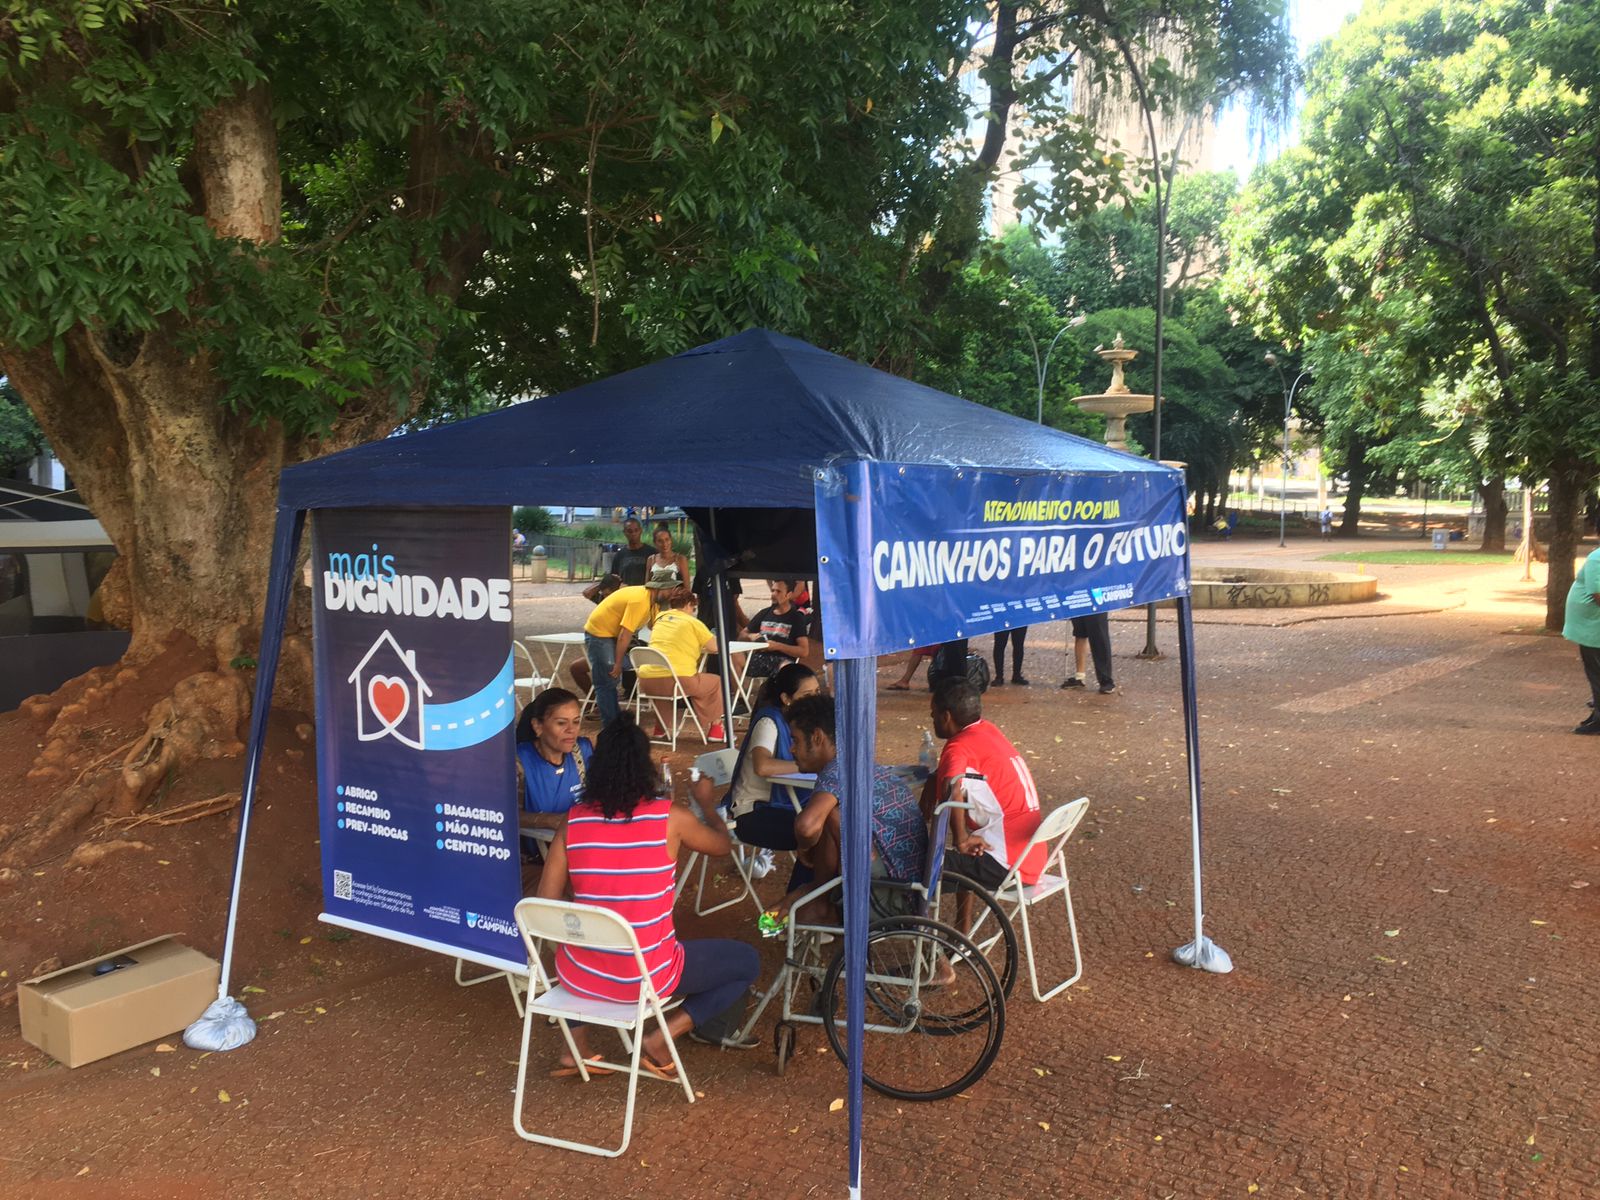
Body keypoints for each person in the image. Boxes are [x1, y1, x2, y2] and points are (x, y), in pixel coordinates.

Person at [537, 716, 761, 1069]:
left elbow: (545, 905)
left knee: (581, 934)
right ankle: (661, 1036)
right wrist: (704, 805)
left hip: (578, 975)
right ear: (646, 766)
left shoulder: (573, 821)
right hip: (645, 977)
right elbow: (723, 846)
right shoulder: (671, 818)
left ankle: (574, 1048)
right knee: (746, 961)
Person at [786, 693, 927, 926]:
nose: (791, 749)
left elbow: (807, 826)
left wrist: (803, 847)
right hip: (913, 884)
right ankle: (819, 898)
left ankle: (821, 903)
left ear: (818, 737)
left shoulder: (836, 770)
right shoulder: (859, 761)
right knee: (833, 816)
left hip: (893, 892)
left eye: (796, 740)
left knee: (829, 816)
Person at [689, 664, 821, 911]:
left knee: (825, 830)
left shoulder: (803, 724)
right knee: (817, 836)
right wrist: (805, 765)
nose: (815, 699)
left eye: (817, 692)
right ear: (786, 698)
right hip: (750, 814)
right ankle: (797, 913)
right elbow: (762, 766)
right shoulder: (769, 721)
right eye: (807, 695)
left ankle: (803, 909)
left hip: (782, 807)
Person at [925, 678, 1045, 899]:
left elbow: (952, 789)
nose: (932, 719)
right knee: (963, 852)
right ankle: (961, 928)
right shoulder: (988, 730)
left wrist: (960, 839)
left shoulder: (957, 748)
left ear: (947, 716)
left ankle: (911, 927)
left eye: (933, 713)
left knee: (917, 862)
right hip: (1031, 859)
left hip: (1006, 868)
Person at [581, 575, 674, 726]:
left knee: (612, 674)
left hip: (611, 634)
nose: (672, 592)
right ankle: (611, 725)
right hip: (600, 633)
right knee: (607, 679)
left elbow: (655, 625)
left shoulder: (654, 601)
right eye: (670, 589)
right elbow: (625, 635)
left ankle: (615, 722)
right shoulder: (640, 601)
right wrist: (617, 664)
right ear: (658, 588)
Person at [636, 587, 726, 741]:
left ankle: (660, 728)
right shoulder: (692, 622)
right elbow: (715, 647)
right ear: (688, 604)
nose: (693, 611)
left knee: (663, 687)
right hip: (678, 681)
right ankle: (716, 729)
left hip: (646, 681)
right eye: (693, 607)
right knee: (714, 683)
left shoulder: (659, 618)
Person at [516, 688, 593, 830]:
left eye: (576, 722)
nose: (571, 730)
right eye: (561, 723)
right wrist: (549, 820)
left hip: (581, 842)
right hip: (541, 849)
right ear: (538, 726)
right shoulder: (519, 761)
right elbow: (507, 816)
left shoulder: (582, 751)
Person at [1563, 511, 1600, 736]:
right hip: (1591, 627)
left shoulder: (1597, 557)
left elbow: (1598, 595)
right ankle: (1596, 712)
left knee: (1596, 673)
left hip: (1593, 629)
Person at [743, 579, 811, 680]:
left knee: (786, 668)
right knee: (733, 657)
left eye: (778, 591)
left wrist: (777, 646)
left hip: (782, 661)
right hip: (758, 659)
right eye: (772, 591)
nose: (774, 594)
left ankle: (779, 694)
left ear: (788, 595)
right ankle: (737, 694)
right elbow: (741, 635)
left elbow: (804, 651)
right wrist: (751, 636)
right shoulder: (764, 613)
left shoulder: (796, 618)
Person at [1061, 612, 1115, 694]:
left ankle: (1106, 679)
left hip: (1095, 601)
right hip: (1077, 600)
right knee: (1080, 633)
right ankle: (1080, 677)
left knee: (1099, 636)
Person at [608, 517, 653, 587]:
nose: (633, 534)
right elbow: (613, 578)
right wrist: (618, 585)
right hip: (626, 594)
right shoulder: (619, 555)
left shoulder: (652, 552)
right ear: (624, 532)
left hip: (645, 595)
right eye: (630, 531)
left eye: (636, 530)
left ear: (640, 531)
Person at [645, 523, 692, 590]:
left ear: (671, 540)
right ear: (655, 543)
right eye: (660, 541)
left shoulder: (680, 559)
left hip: (675, 599)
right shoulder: (651, 560)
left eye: (667, 539)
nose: (664, 544)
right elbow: (647, 586)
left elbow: (687, 588)